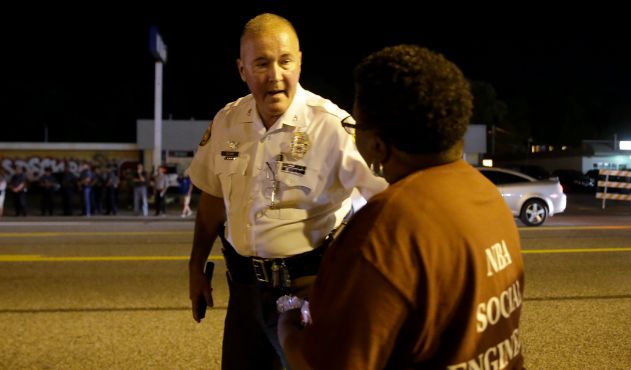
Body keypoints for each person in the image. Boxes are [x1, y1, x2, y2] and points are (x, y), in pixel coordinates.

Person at [278, 44, 525, 369]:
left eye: (356, 128)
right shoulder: (487, 196)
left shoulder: (385, 230)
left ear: (378, 144)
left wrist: (288, 330)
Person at [186, 13, 388, 370]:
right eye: (261, 64)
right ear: (242, 70)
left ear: (300, 62)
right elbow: (212, 197)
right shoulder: (226, 122)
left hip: (310, 290)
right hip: (245, 292)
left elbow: (387, 202)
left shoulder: (331, 127)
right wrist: (195, 267)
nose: (275, 76)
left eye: (285, 61)